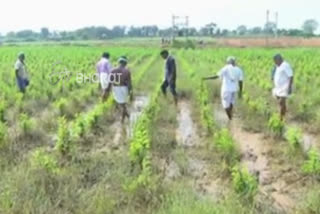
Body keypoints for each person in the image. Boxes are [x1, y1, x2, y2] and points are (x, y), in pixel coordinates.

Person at [202, 56, 244, 120]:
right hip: (235, 90)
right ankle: (231, 115)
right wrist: (240, 92)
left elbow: (216, 76)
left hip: (226, 89)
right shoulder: (239, 70)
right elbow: (241, 82)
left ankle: (230, 118)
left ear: (228, 62)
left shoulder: (226, 68)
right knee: (231, 103)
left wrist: (206, 78)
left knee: (225, 105)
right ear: (234, 62)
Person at [110, 56, 133, 123]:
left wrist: (108, 90)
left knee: (121, 104)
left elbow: (110, 81)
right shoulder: (127, 71)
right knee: (123, 104)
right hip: (124, 88)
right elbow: (129, 83)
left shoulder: (113, 70)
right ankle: (125, 117)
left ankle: (123, 119)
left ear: (119, 62)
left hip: (115, 88)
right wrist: (130, 93)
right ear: (125, 63)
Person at [272, 54, 294, 121]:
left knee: (281, 102)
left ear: (279, 59)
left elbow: (291, 76)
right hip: (278, 88)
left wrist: (289, 87)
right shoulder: (278, 66)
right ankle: (283, 114)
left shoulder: (285, 65)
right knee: (280, 103)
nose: (275, 62)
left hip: (284, 87)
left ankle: (281, 118)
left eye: (275, 61)